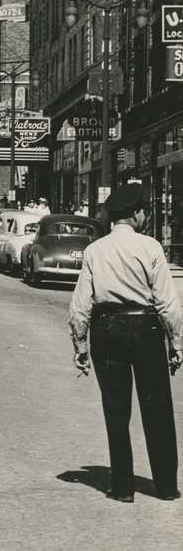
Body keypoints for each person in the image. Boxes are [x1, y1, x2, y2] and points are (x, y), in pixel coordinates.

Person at [69, 183, 183, 503]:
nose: (146, 214)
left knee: (116, 410)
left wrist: (80, 345)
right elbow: (167, 304)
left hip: (106, 329)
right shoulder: (151, 248)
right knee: (157, 406)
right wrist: (177, 343)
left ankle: (122, 488)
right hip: (145, 328)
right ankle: (165, 486)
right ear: (134, 214)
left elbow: (80, 306)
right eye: (144, 210)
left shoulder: (95, 250)